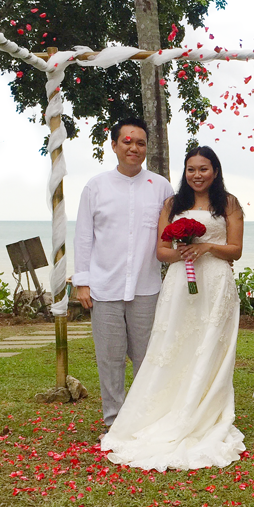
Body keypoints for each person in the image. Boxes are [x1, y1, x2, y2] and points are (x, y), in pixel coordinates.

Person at [100, 146, 246, 471]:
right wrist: (182, 252)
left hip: (216, 283)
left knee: (211, 347)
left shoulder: (229, 204)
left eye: (203, 169)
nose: (197, 175)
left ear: (215, 170)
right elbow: (161, 251)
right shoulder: (173, 204)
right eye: (191, 169)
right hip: (181, 283)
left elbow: (235, 250)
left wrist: (207, 246)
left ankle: (207, 411)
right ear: (185, 172)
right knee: (176, 345)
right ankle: (169, 408)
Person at [73, 117, 174, 428]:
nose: (134, 147)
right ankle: (114, 421)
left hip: (147, 287)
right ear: (114, 145)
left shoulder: (160, 186)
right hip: (104, 287)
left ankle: (145, 419)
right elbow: (83, 236)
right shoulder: (96, 186)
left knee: (148, 358)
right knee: (110, 358)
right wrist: (83, 282)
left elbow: (172, 232)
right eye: (127, 142)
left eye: (141, 143)